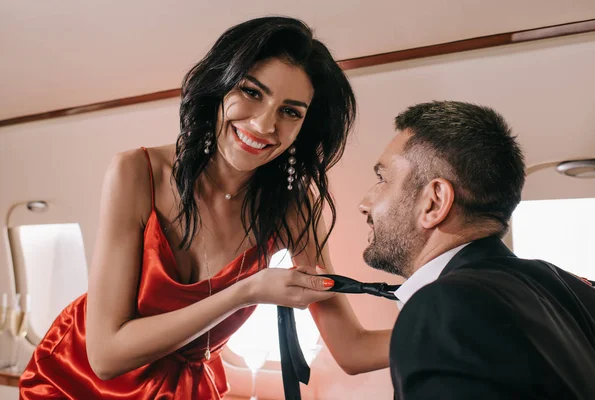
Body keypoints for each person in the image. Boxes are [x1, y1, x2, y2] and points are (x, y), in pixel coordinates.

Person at [19, 17, 391, 399]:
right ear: (219, 86)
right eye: (251, 92)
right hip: (75, 381)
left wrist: (446, 322)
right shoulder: (137, 172)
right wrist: (245, 292)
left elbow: (351, 348)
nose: (264, 124)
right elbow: (106, 356)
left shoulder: (294, 206)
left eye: (290, 111)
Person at [358, 101, 595, 399]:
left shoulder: (442, 307)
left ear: (433, 202)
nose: (365, 203)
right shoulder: (573, 289)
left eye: (382, 179)